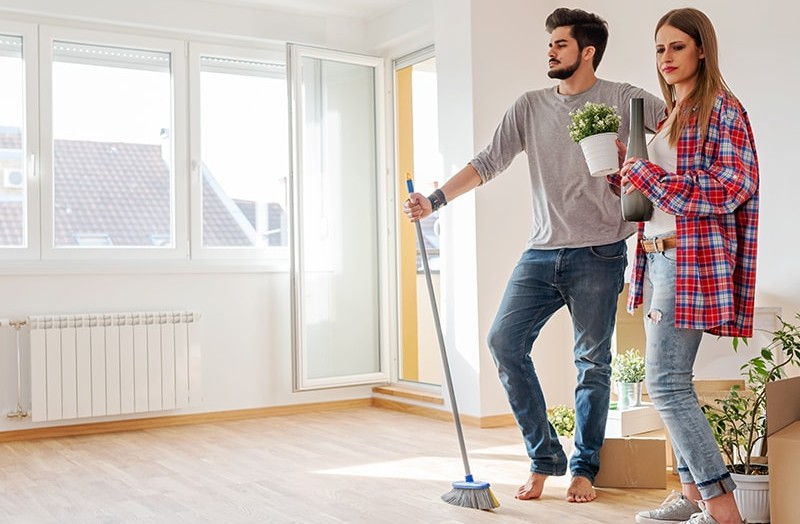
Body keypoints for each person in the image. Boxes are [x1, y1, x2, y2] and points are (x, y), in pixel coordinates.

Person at [404, 8, 664, 503]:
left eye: (560, 44)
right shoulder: (529, 106)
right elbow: (488, 161)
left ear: (587, 52)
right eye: (550, 44)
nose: (550, 50)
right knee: (504, 342)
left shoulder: (623, 98)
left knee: (592, 363)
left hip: (600, 252)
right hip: (542, 252)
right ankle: (544, 456)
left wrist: (640, 166)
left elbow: (674, 129)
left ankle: (585, 468)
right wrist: (434, 201)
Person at [618, 8, 759, 524]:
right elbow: (659, 193)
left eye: (677, 46)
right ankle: (694, 500)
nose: (667, 57)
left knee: (667, 383)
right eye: (660, 49)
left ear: (701, 48)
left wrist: (651, 177)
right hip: (656, 259)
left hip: (689, 259)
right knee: (671, 382)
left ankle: (723, 511)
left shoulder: (722, 108)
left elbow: (731, 186)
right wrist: (628, 175)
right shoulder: (670, 114)